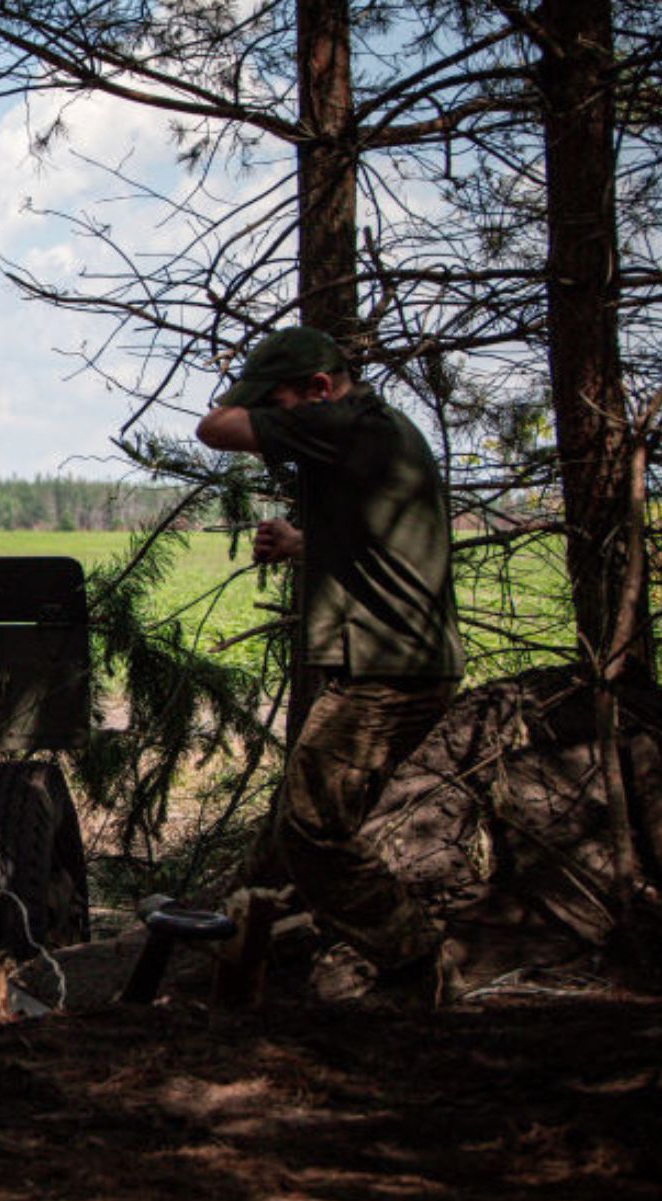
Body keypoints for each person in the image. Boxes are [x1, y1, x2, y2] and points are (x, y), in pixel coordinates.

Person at [195, 325, 465, 1001]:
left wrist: (259, 414)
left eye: (279, 401)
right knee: (300, 830)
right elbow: (379, 542)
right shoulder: (372, 434)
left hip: (391, 668)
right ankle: (259, 970)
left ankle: (417, 964)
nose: (276, 417)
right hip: (389, 663)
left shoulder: (349, 422)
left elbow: (215, 427)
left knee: (313, 831)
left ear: (319, 389)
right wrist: (300, 542)